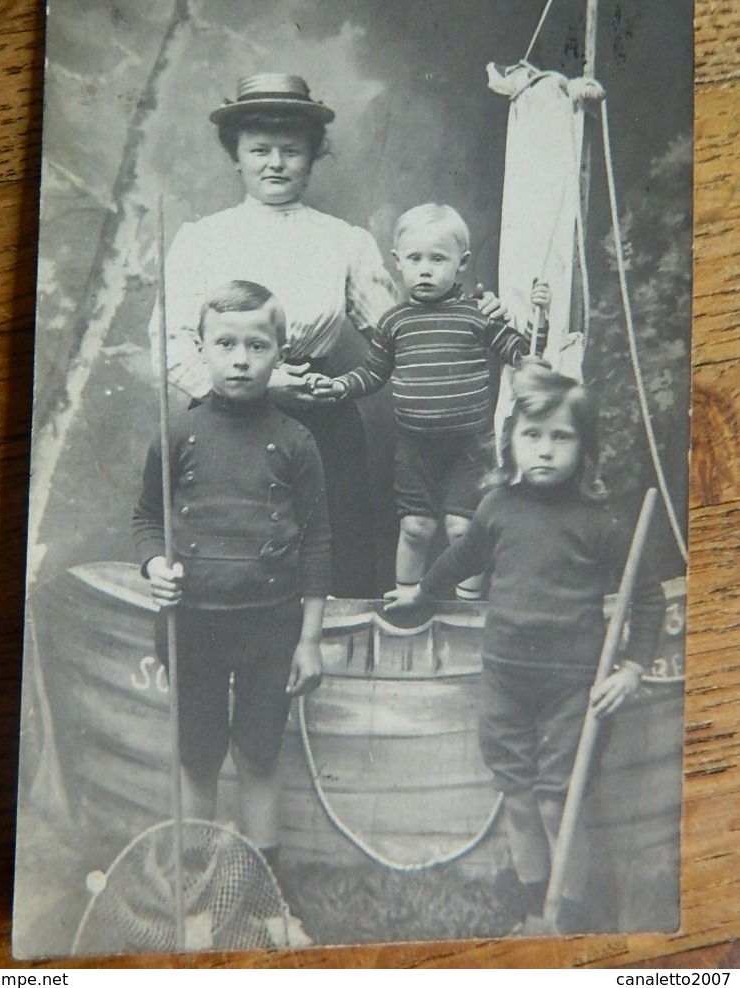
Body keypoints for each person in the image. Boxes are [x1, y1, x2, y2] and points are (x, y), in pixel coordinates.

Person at [150, 74, 508, 597]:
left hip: (321, 419)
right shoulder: (200, 239)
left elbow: (406, 330)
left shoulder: (344, 240)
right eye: (259, 150)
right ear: (237, 155)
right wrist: (253, 387)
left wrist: (481, 316)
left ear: (312, 156)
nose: (275, 163)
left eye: (291, 151)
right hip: (223, 415)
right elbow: (166, 343)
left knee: (330, 545)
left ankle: (336, 641)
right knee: (231, 540)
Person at [384, 364, 665, 932]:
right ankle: (532, 904)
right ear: (509, 442)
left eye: (561, 437)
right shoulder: (496, 511)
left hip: (575, 686)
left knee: (557, 801)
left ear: (585, 450)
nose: (544, 450)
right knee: (516, 794)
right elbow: (460, 562)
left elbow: (649, 600)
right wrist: (420, 593)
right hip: (505, 678)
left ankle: (572, 913)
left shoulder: (600, 525)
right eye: (532, 436)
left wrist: (632, 668)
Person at [133, 280, 331, 876]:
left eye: (257, 345)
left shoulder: (298, 441)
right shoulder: (176, 434)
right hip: (192, 625)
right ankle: (195, 886)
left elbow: (319, 540)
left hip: (271, 628)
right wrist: (154, 565)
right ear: (201, 348)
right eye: (225, 344)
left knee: (259, 755)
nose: (240, 359)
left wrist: (311, 638)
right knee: (197, 758)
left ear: (280, 351)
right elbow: (145, 519)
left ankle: (265, 892)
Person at [311, 203, 551, 597]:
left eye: (438, 259)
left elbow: (525, 356)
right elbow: (373, 373)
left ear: (462, 263)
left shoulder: (477, 314)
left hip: (470, 447)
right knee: (415, 528)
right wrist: (339, 387)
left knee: (463, 530)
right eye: (415, 259)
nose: (425, 269)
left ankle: (468, 606)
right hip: (414, 447)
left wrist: (542, 313)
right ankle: (407, 599)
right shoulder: (394, 322)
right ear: (397, 263)